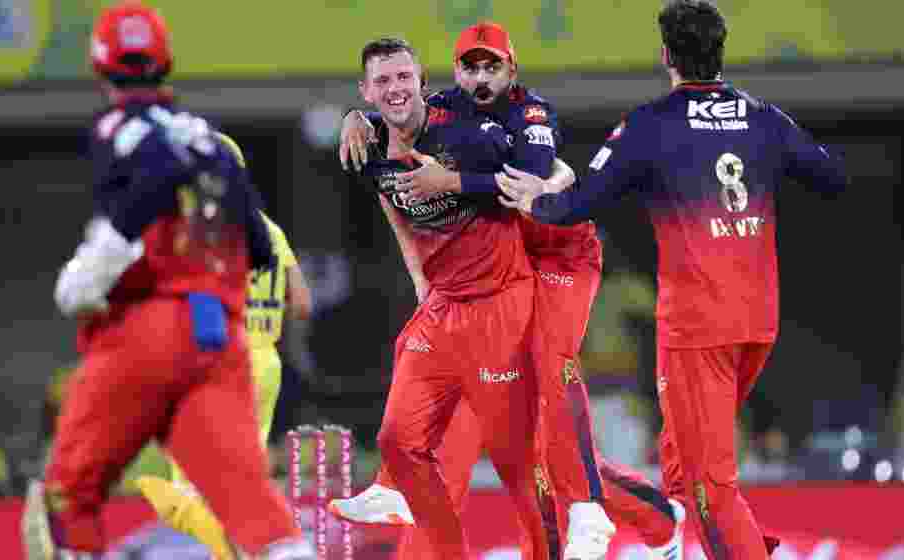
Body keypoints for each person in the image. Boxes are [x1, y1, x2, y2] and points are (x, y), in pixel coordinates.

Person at [496, 1, 846, 558]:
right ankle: (717, 540)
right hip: (758, 320)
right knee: (685, 471)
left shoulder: (651, 124)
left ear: (666, 56)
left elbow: (580, 203)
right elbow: (833, 175)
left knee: (710, 486)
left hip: (696, 327)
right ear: (720, 53)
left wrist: (533, 200)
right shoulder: (764, 117)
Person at [333, 21, 684, 560]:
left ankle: (603, 510)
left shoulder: (527, 116)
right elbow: (397, 187)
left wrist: (453, 182)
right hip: (483, 286)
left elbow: (533, 180)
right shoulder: (439, 113)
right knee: (445, 443)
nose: (480, 78)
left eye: (491, 66)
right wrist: (359, 117)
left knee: (542, 410)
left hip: (555, 257)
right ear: (449, 77)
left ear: (511, 70)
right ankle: (401, 500)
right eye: (469, 67)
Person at [21, 3, 306, 558]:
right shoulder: (209, 141)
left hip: (150, 331)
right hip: (219, 339)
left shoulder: (117, 127)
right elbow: (256, 245)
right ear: (167, 61)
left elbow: (131, 210)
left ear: (99, 66)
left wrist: (79, 282)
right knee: (254, 506)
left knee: (67, 496)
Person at [342, 36, 574, 559]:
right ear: (367, 91)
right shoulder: (368, 148)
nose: (395, 88)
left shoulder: (467, 133)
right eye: (383, 81)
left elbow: (542, 173)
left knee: (517, 463)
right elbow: (395, 212)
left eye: (404, 78)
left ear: (423, 84)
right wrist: (420, 282)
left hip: (500, 304)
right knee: (398, 442)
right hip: (444, 306)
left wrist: (557, 177)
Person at [135, 132, 313, 560]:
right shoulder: (270, 231)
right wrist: (262, 312)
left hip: (218, 364)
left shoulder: (200, 230)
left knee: (187, 490)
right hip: (265, 363)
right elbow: (303, 304)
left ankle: (240, 552)